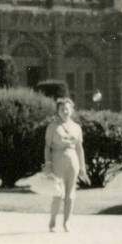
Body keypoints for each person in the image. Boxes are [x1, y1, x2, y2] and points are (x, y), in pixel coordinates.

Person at [42, 97, 88, 232]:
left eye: (67, 109)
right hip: (57, 160)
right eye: (62, 109)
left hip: (73, 162)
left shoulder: (77, 127)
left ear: (72, 110)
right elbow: (47, 147)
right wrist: (48, 163)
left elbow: (79, 148)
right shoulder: (52, 127)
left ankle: (67, 222)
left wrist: (82, 167)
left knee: (70, 194)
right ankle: (52, 222)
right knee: (58, 193)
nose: (65, 111)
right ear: (58, 111)